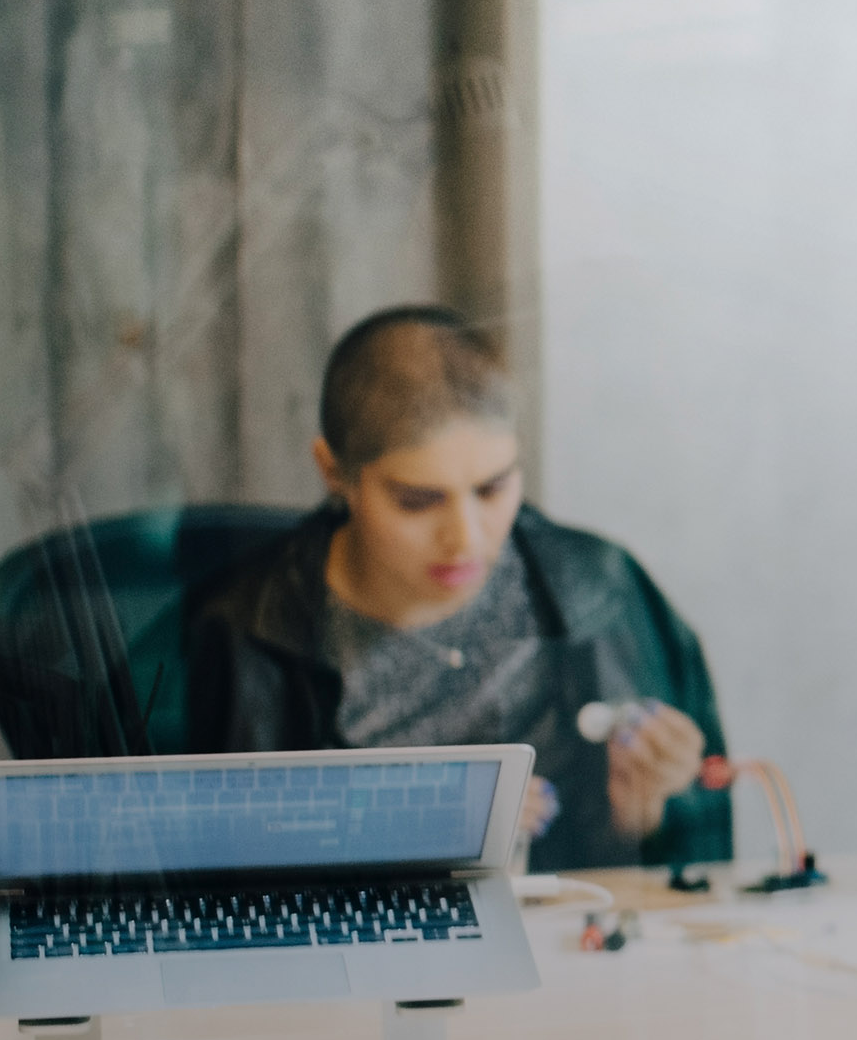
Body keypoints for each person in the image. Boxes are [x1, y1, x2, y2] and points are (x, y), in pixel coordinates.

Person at [190, 304, 731, 874]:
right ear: (334, 472)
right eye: (418, 501)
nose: (466, 540)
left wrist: (644, 818)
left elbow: (695, 876)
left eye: (493, 489)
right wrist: (378, 831)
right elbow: (191, 879)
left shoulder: (602, 590)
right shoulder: (238, 634)